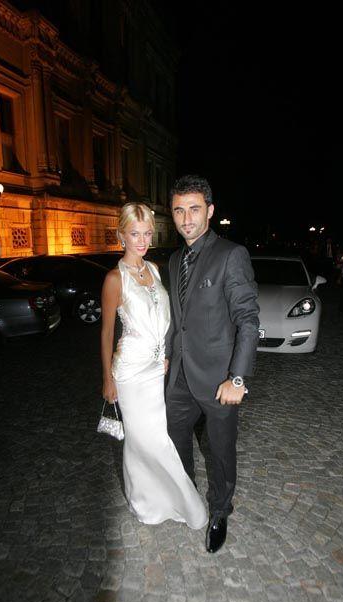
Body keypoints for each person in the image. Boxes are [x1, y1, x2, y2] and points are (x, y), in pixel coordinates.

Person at [165, 175, 260, 554]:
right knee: (174, 438)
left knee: (220, 451)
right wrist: (169, 358)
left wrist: (237, 378)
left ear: (210, 211)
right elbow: (179, 320)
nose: (186, 218)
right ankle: (187, 494)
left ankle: (220, 510)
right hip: (180, 376)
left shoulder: (231, 255)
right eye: (178, 210)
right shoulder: (174, 260)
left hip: (220, 377)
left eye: (194, 209)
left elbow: (248, 319)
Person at [101, 202, 208, 530]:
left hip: (157, 370)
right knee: (143, 441)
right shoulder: (114, 279)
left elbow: (166, 318)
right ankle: (146, 501)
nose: (143, 241)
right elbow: (106, 333)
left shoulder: (155, 270)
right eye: (135, 234)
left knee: (160, 435)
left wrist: (166, 354)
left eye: (147, 233)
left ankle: (165, 496)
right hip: (130, 373)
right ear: (121, 235)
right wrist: (107, 379)